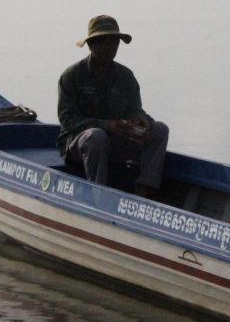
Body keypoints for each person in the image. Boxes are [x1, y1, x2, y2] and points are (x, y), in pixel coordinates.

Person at [56, 15, 169, 197]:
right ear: (91, 45)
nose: (109, 48)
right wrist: (105, 125)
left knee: (160, 130)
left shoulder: (126, 76)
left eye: (113, 43)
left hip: (117, 142)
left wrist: (141, 121)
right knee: (96, 136)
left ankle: (144, 189)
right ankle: (99, 196)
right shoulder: (71, 76)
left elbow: (134, 109)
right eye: (102, 43)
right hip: (79, 144)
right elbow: (67, 121)